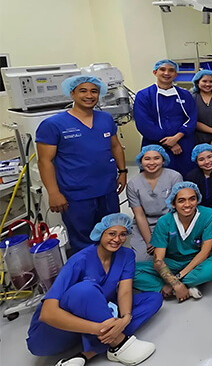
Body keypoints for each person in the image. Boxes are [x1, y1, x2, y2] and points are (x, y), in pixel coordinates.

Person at [26, 214, 161, 366]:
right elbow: (47, 314)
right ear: (100, 233)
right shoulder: (79, 260)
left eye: (122, 234)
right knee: (85, 289)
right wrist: (98, 329)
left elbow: (125, 291)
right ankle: (119, 343)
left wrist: (125, 319)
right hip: (54, 331)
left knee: (154, 298)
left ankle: (86, 354)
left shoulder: (126, 255)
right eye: (112, 234)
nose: (117, 239)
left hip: (98, 316)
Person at [36, 75, 127, 253]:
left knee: (111, 231)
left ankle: (112, 264)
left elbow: (115, 146)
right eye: (83, 91)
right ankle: (88, 268)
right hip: (76, 194)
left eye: (94, 91)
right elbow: (44, 161)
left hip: (107, 190)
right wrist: (53, 193)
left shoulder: (105, 119)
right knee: (83, 239)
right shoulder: (53, 124)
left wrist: (122, 171)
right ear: (72, 94)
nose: (89, 95)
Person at [133, 182, 212, 301]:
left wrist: (175, 280)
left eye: (192, 199)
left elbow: (204, 253)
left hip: (199, 260)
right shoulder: (164, 222)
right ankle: (181, 289)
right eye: (181, 201)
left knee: (207, 272)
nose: (187, 204)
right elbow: (158, 260)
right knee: (132, 273)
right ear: (173, 204)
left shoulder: (209, 215)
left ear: (198, 200)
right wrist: (175, 283)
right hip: (174, 261)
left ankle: (170, 289)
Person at [134, 59, 197, 176]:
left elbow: (192, 118)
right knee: (157, 179)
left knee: (187, 177)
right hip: (155, 145)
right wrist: (170, 143)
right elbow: (144, 124)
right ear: (155, 72)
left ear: (176, 74)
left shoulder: (185, 95)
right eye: (162, 69)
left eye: (171, 70)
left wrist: (178, 137)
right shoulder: (144, 95)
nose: (166, 73)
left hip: (183, 144)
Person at [127, 145, 183, 262]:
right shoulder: (133, 184)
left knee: (175, 256)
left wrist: (161, 239)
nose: (152, 162)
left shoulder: (175, 177)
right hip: (145, 224)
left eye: (156, 158)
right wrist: (150, 242)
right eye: (147, 159)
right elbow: (139, 215)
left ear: (163, 160)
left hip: (170, 222)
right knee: (142, 260)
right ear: (140, 161)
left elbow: (178, 210)